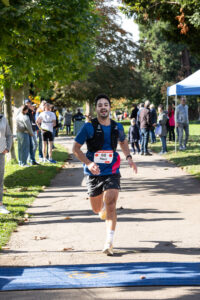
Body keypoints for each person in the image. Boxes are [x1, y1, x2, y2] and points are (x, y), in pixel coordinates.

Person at [73, 94, 137, 256]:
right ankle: (101, 208)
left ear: (110, 108)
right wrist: (89, 163)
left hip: (112, 170)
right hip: (93, 172)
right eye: (100, 105)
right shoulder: (88, 127)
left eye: (106, 104)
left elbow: (122, 142)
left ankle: (109, 242)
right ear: (96, 109)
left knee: (110, 202)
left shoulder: (117, 127)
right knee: (96, 209)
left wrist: (128, 157)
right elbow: (75, 149)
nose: (103, 107)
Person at [0, 113, 12, 214]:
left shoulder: (3, 118)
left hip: (1, 153)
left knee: (0, 179)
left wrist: (7, 148)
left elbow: (9, 135)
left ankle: (0, 205)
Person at [25, 99, 39, 165]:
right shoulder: (25, 112)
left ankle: (32, 159)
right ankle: (30, 159)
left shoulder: (31, 111)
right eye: (27, 103)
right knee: (30, 145)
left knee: (35, 144)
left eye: (29, 103)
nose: (29, 104)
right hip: (28, 131)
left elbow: (33, 120)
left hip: (33, 130)